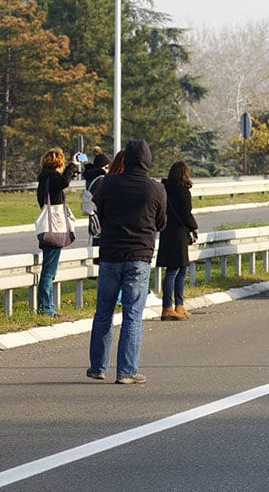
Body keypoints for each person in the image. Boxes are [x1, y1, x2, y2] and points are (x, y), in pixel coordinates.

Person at [87, 140, 167, 384]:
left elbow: (99, 210)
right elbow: (161, 221)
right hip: (139, 257)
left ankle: (98, 367)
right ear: (148, 160)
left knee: (103, 313)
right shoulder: (155, 189)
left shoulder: (107, 183)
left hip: (110, 254)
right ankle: (126, 371)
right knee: (132, 315)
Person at [35, 148, 79, 318]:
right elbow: (64, 182)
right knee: (49, 272)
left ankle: (47, 307)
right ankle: (46, 308)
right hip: (53, 229)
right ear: (58, 164)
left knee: (49, 271)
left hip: (49, 227)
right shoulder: (52, 179)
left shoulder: (45, 179)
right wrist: (73, 165)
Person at [156, 161, 198, 320]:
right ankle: (169, 307)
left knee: (180, 268)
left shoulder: (164, 190)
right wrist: (194, 227)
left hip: (167, 231)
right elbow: (186, 214)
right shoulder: (183, 192)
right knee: (176, 270)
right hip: (179, 233)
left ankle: (178, 306)